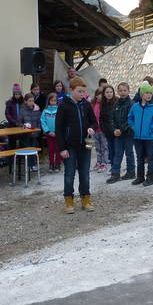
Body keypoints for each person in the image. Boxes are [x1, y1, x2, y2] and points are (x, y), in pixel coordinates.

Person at [55, 77, 98, 213]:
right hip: (69, 147)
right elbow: (58, 129)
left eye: (84, 91)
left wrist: (92, 128)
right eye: (79, 91)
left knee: (85, 174)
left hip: (86, 144)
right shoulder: (63, 106)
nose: (82, 94)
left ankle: (86, 199)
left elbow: (94, 122)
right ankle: (69, 201)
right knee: (69, 174)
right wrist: (62, 148)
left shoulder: (86, 105)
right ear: (71, 90)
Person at [128, 83, 153, 186]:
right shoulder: (135, 106)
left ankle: (150, 178)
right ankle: (140, 177)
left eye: (150, 93)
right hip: (137, 137)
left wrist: (151, 129)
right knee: (140, 157)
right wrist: (133, 127)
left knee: (150, 158)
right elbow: (130, 117)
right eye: (146, 93)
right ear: (141, 94)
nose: (149, 95)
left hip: (150, 138)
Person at [106, 82, 136, 184]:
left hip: (128, 133)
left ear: (128, 91)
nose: (122, 92)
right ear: (117, 92)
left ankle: (131, 172)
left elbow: (130, 119)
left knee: (129, 153)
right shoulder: (116, 104)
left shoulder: (131, 104)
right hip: (118, 134)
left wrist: (121, 130)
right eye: (120, 91)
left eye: (125, 90)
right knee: (117, 153)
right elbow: (111, 118)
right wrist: (114, 129)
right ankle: (115, 174)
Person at [18, 92, 42, 172]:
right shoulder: (22, 110)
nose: (32, 102)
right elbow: (19, 122)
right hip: (26, 134)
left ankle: (33, 165)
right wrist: (24, 126)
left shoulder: (37, 109)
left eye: (33, 101)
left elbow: (39, 121)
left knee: (33, 149)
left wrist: (38, 130)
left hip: (34, 133)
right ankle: (29, 165)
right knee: (27, 149)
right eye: (30, 101)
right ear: (25, 101)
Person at [41, 92, 61, 172]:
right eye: (51, 101)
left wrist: (58, 131)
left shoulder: (59, 110)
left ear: (57, 101)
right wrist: (48, 131)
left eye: (54, 101)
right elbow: (43, 121)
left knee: (58, 149)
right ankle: (51, 164)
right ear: (48, 101)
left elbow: (62, 121)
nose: (53, 102)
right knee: (51, 149)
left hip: (58, 134)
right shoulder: (45, 111)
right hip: (49, 134)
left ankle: (58, 164)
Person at [100, 84, 117, 173]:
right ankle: (113, 166)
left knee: (116, 150)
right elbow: (101, 118)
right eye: (107, 92)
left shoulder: (117, 103)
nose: (109, 94)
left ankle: (116, 167)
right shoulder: (103, 104)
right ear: (104, 94)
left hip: (116, 131)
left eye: (111, 92)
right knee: (110, 149)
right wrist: (103, 128)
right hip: (107, 131)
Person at [91, 88, 109, 171]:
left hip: (103, 130)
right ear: (96, 95)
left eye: (102, 94)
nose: (100, 96)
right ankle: (98, 162)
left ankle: (104, 163)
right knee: (97, 147)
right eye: (99, 94)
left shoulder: (105, 105)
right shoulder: (93, 104)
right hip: (95, 130)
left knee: (104, 147)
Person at [5, 83, 25, 149]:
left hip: (21, 125)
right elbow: (7, 114)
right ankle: (12, 155)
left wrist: (23, 122)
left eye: (19, 94)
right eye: (16, 94)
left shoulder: (23, 102)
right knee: (12, 144)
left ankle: (21, 155)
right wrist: (14, 122)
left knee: (22, 143)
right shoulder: (9, 102)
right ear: (13, 94)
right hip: (12, 126)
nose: (17, 96)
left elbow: (24, 113)